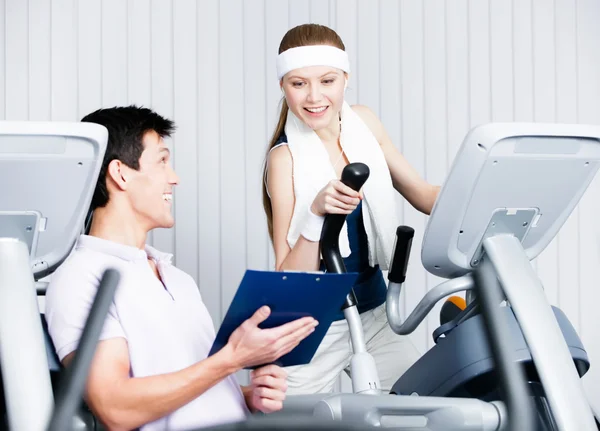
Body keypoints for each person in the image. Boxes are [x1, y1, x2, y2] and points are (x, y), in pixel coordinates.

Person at [45, 106, 319, 431]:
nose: (174, 177)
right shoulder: (81, 276)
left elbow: (193, 389)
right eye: (162, 161)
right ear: (120, 174)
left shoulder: (177, 278)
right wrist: (231, 358)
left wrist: (246, 396)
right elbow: (115, 408)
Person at [262, 23, 441, 394]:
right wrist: (315, 213)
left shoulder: (365, 122)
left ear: (346, 78)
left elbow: (423, 195)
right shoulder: (284, 159)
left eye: (327, 81)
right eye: (299, 84)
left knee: (423, 408)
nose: (314, 97)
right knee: (283, 421)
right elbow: (287, 274)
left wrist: (489, 191)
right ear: (283, 86)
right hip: (312, 323)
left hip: (374, 313)